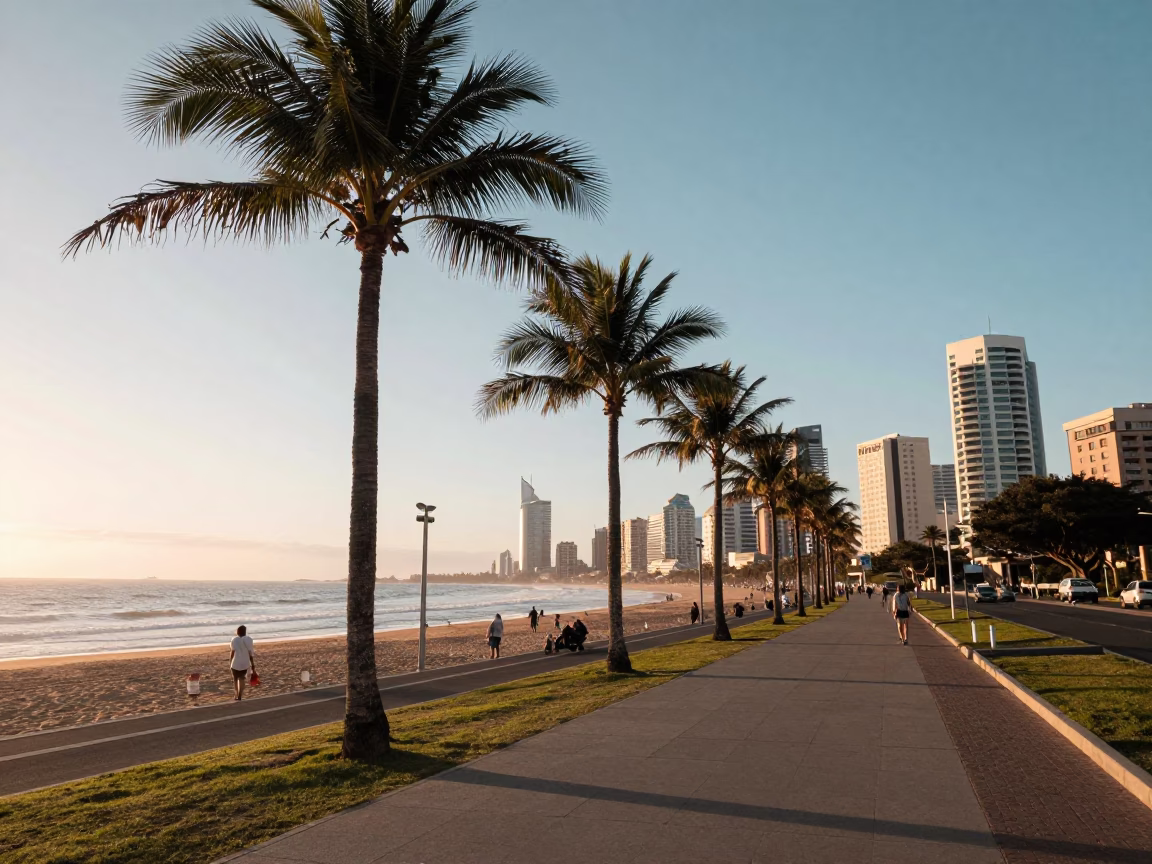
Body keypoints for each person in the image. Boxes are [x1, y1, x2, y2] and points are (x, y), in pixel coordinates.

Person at [229, 625, 255, 702]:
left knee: (235, 679)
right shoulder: (249, 640)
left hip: (235, 662)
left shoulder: (234, 640)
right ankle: (240, 695)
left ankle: (236, 694)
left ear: (238, 631)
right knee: (242, 678)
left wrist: (230, 661)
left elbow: (232, 652)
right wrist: (252, 663)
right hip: (245, 662)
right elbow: (250, 653)